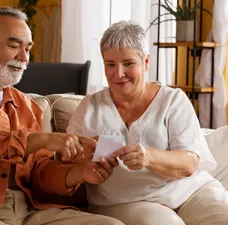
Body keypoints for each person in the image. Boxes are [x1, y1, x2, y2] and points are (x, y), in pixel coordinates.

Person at [0, 6, 124, 225]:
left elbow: (39, 175)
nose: (24, 58)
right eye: (14, 46)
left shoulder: (26, 105)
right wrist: (42, 139)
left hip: (28, 211)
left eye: (28, 49)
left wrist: (80, 173)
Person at [67, 20, 228, 225]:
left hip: (191, 190)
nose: (118, 74)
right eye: (110, 64)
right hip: (126, 201)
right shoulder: (89, 108)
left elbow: (190, 163)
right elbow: (66, 160)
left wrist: (149, 158)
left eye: (128, 63)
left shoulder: (173, 100)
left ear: (145, 62)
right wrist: (87, 161)